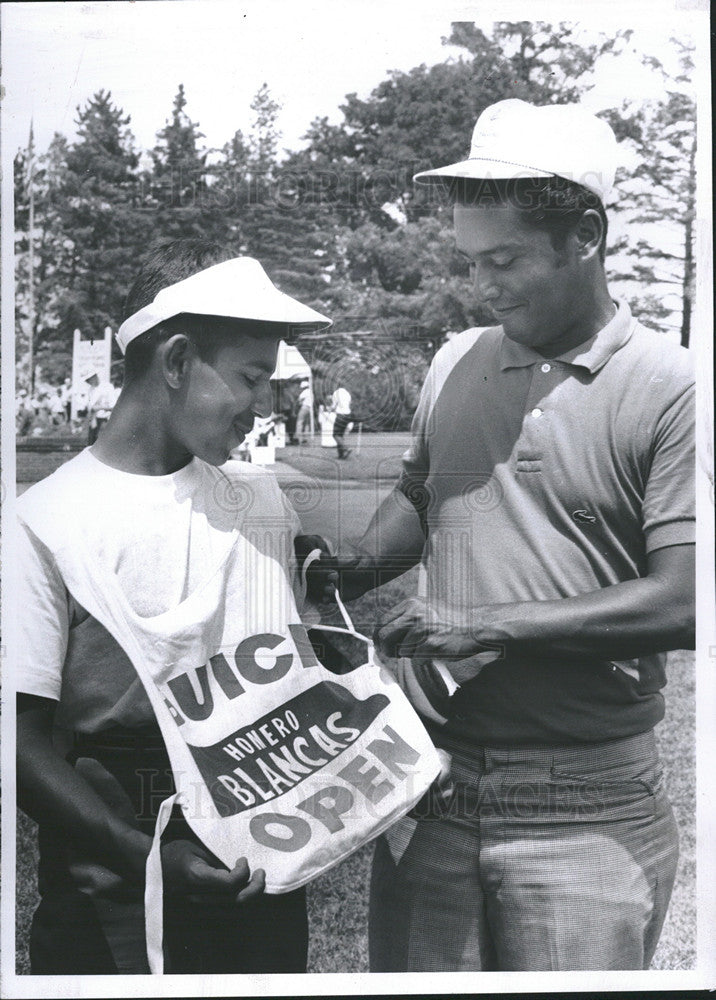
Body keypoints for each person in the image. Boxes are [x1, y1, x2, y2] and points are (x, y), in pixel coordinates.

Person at [320, 100, 695, 971]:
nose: (482, 286)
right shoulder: (457, 360)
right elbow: (425, 493)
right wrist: (348, 564)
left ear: (587, 236)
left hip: (585, 808)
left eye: (506, 260)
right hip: (426, 784)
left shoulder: (673, 388)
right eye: (472, 261)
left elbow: (688, 600)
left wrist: (487, 624)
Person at [15, 238, 331, 975]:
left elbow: (294, 681)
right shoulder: (46, 521)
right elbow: (23, 746)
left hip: (258, 879)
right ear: (179, 361)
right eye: (252, 377)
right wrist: (151, 857)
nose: (265, 405)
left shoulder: (256, 500)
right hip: (110, 884)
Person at [330, 384, 352, 459]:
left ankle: (345, 448)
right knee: (340, 435)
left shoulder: (336, 393)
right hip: (348, 415)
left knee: (335, 434)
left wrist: (330, 409)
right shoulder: (347, 394)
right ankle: (341, 455)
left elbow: (333, 406)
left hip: (340, 415)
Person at [295, 378, 313, 444]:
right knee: (306, 424)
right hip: (310, 409)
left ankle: (298, 438)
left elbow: (299, 399)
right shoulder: (310, 392)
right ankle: (305, 438)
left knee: (299, 422)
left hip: (304, 407)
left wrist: (298, 403)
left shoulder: (305, 392)